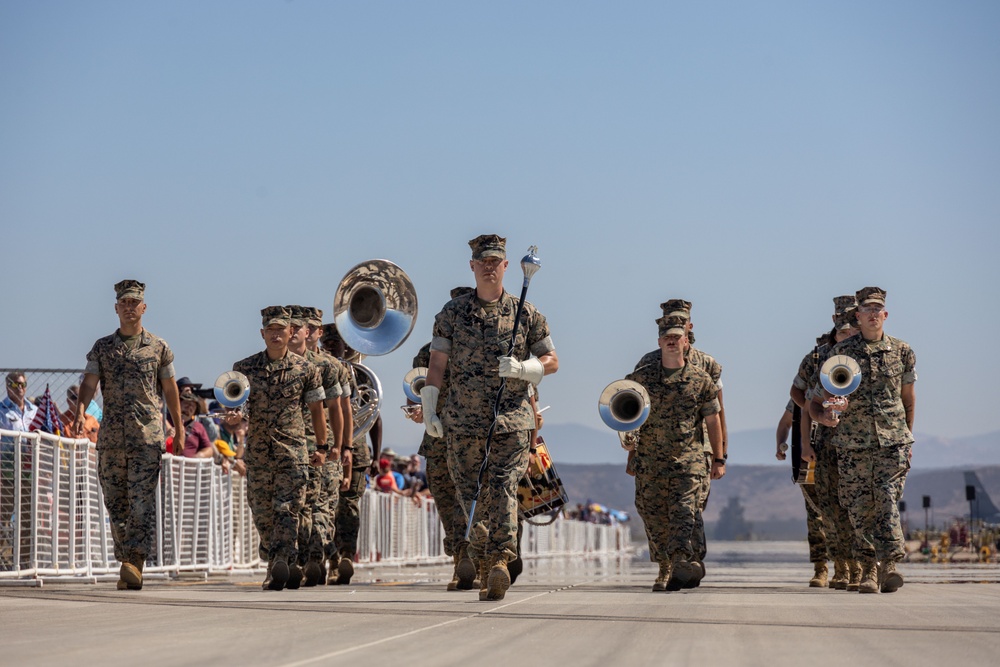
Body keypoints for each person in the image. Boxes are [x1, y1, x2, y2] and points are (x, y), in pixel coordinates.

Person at [420, 234, 558, 601]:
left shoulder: (526, 313)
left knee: (503, 489)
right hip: (463, 423)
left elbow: (551, 361)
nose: (489, 267)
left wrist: (526, 367)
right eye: (483, 261)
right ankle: (481, 558)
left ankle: (499, 561)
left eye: (495, 261)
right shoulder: (451, 314)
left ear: (507, 266)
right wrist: (430, 406)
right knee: (471, 496)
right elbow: (436, 364)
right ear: (472, 266)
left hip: (511, 421)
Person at [74, 280, 185, 591]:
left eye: (134, 302)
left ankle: (135, 561)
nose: (129, 307)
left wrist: (179, 426)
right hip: (111, 439)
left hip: (146, 437)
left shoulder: (158, 347)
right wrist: (81, 410)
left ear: (143, 307)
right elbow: (89, 383)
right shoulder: (102, 347)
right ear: (116, 307)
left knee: (141, 503)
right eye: (124, 302)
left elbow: (170, 390)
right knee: (115, 503)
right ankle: (126, 559)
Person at [810, 286, 916, 594]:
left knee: (886, 501)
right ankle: (869, 568)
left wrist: (908, 438)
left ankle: (889, 564)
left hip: (892, 443)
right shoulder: (840, 355)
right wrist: (827, 417)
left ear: (885, 315)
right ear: (858, 316)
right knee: (858, 509)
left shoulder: (903, 352)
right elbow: (816, 403)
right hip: (853, 446)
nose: (872, 314)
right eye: (866, 310)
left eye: (877, 309)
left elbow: (908, 399)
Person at [232, 306, 329, 591]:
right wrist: (234, 416)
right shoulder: (244, 368)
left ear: (291, 332)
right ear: (262, 333)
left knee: (287, 511)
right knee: (262, 512)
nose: (275, 335)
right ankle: (278, 559)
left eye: (280, 330)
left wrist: (322, 447)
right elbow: (236, 405)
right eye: (270, 330)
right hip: (259, 453)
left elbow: (316, 410)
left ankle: (280, 563)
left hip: (293, 452)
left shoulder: (307, 370)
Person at [627, 315, 724, 592]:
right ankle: (665, 566)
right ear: (659, 342)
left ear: (685, 341)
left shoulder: (701, 380)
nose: (671, 341)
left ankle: (681, 560)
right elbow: (624, 412)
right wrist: (629, 448)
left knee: (684, 512)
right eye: (666, 337)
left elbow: (713, 421)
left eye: (676, 337)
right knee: (652, 514)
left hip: (688, 461)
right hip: (650, 461)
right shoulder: (641, 377)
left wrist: (718, 458)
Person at [796, 299, 862, 590]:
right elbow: (800, 401)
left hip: (860, 445)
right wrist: (820, 415)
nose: (846, 336)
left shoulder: (871, 356)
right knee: (824, 509)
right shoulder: (820, 360)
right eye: (841, 330)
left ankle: (861, 565)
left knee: (858, 509)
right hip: (823, 443)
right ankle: (831, 565)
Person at [287, 305, 344, 587]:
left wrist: (341, 446)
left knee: (319, 505)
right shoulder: (283, 364)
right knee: (298, 505)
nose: (304, 332)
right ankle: (301, 558)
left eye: (309, 327)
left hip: (321, 446)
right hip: (291, 445)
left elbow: (338, 408)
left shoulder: (329, 366)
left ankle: (314, 557)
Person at [321, 322, 379, 586]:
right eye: (328, 343)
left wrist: (377, 455)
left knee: (348, 506)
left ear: (347, 346)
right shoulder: (317, 370)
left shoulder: (360, 375)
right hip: (325, 447)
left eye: (337, 343)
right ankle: (331, 556)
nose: (332, 347)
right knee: (326, 507)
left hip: (356, 448)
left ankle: (345, 556)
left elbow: (375, 414)